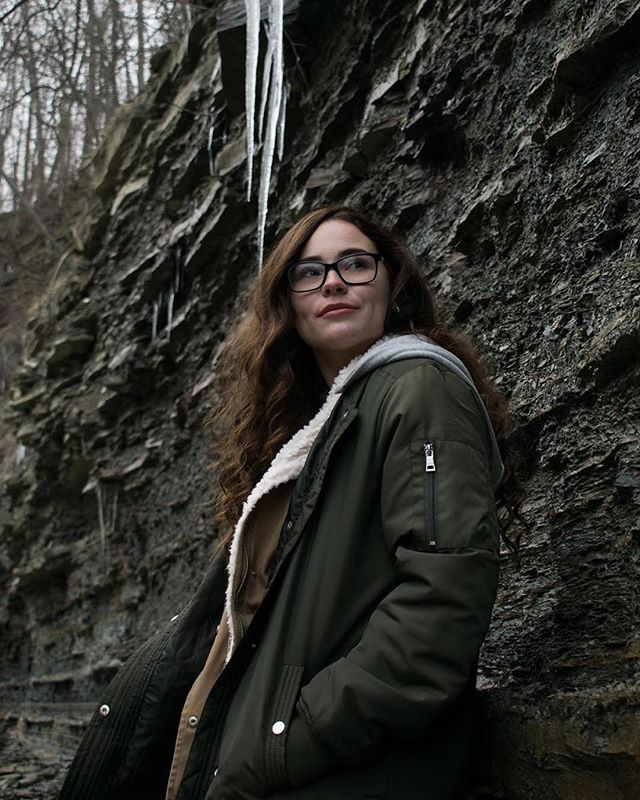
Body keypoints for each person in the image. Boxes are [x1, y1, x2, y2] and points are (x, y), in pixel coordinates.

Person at [59, 205, 522, 800]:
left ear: (393, 284)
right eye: (309, 272)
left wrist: (279, 745)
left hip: (343, 772)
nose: (333, 282)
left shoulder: (419, 388)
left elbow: (439, 611)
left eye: (355, 264)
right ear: (288, 305)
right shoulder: (318, 427)